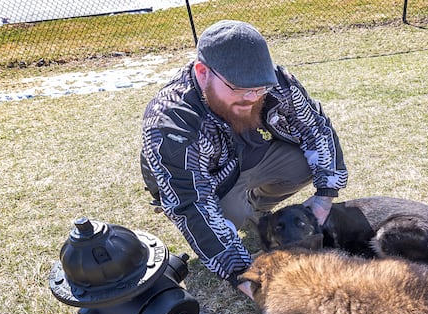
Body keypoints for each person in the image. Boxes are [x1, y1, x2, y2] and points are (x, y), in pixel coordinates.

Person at [140, 20, 347, 298]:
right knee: (227, 216)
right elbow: (191, 203)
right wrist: (241, 272)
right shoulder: (171, 121)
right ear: (203, 72)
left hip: (248, 156)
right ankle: (238, 209)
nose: (251, 97)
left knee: (304, 164)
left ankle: (257, 206)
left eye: (259, 89)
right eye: (238, 88)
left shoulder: (275, 82)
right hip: (207, 179)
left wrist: (324, 196)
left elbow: (315, 129)